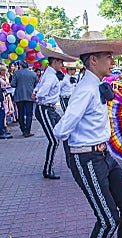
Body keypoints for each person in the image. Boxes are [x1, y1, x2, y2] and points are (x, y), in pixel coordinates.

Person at [53, 31, 122, 238]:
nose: (112, 62)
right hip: (88, 158)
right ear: (93, 59)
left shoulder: (95, 86)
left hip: (104, 156)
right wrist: (72, 143)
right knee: (107, 218)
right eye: (108, 57)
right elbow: (63, 128)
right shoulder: (85, 90)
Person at [33, 47, 77, 179]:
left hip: (49, 109)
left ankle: (70, 163)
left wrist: (36, 93)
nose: (63, 65)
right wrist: (37, 95)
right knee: (54, 140)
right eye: (61, 62)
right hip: (45, 108)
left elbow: (39, 89)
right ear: (55, 62)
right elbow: (41, 93)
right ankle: (47, 169)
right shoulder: (51, 76)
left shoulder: (49, 74)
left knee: (64, 133)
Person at [10, 60, 38, 137]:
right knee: (29, 114)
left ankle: (23, 129)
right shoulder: (33, 74)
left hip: (19, 96)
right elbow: (36, 86)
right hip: (30, 96)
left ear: (20, 65)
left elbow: (13, 84)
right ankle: (27, 131)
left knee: (21, 113)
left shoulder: (16, 73)